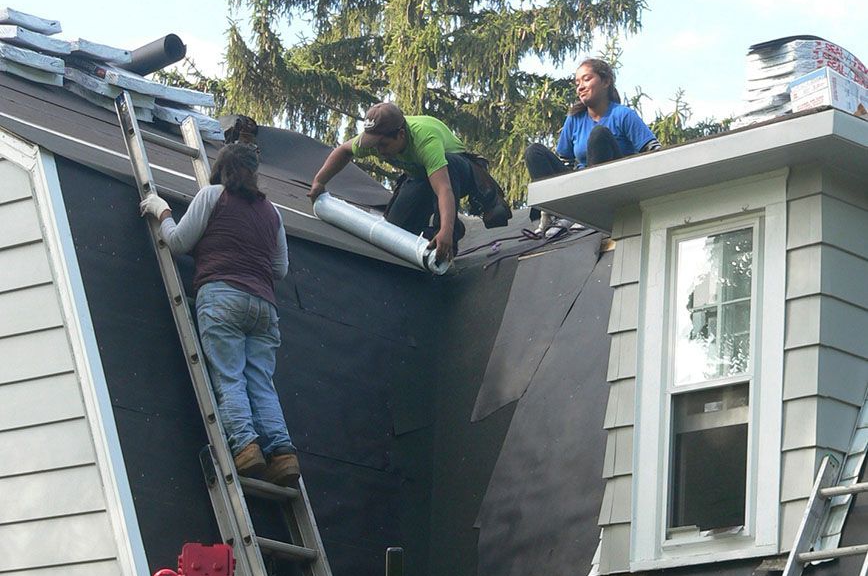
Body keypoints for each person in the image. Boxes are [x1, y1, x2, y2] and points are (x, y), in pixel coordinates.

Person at [139, 143, 299, 487]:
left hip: (222, 297)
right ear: (255, 173)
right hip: (263, 307)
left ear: (221, 170)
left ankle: (245, 447)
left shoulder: (213, 196)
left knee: (229, 377)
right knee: (261, 382)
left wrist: (162, 211)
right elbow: (280, 269)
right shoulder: (272, 213)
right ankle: (282, 455)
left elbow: (179, 242)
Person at [309, 102, 511, 264]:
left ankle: (449, 238)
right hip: (421, 175)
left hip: (459, 172)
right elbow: (343, 151)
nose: (378, 151)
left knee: (446, 168)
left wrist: (446, 231)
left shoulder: (425, 140)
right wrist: (319, 181)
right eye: (374, 145)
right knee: (395, 230)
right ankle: (436, 235)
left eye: (383, 145)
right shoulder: (374, 140)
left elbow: (444, 189)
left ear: (401, 134)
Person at [525, 58, 659, 236]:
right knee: (534, 152)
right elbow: (565, 163)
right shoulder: (574, 119)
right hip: (577, 192)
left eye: (586, 79)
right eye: (577, 83)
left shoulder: (623, 115)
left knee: (599, 135)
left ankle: (592, 211)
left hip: (612, 192)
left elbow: (654, 153)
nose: (580, 87)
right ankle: (558, 216)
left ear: (605, 82)